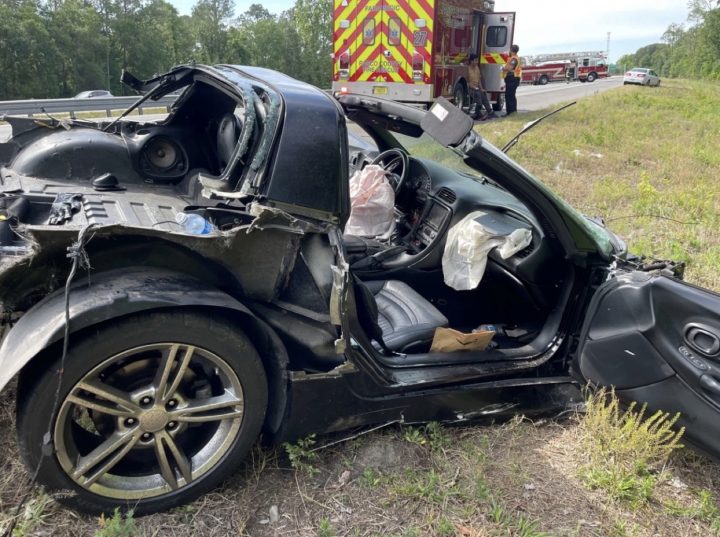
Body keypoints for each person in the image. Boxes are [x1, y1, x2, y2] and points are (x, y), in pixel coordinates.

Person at [467, 53, 498, 120]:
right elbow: (467, 82)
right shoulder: (467, 69)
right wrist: (474, 87)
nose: (476, 62)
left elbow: (479, 80)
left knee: (483, 94)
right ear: (471, 61)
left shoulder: (477, 68)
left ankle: (490, 112)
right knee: (478, 94)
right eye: (475, 60)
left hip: (477, 88)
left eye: (477, 60)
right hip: (470, 88)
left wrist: (482, 89)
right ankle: (478, 114)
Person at [501, 44, 521, 116]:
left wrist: (503, 68)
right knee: (509, 95)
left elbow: (510, 68)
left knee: (510, 95)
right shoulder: (514, 58)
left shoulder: (514, 59)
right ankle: (510, 112)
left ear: (511, 50)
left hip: (512, 79)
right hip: (512, 79)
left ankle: (511, 112)